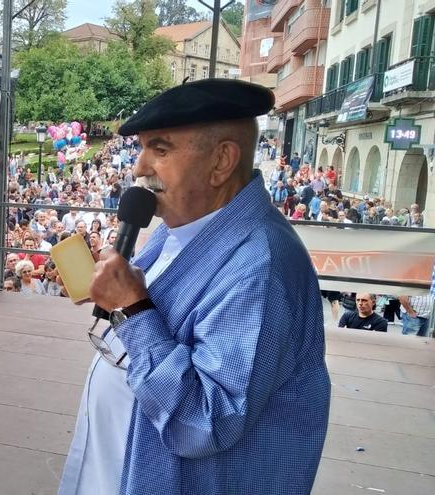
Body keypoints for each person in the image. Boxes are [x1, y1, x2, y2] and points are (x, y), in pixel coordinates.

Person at [61, 80, 330, 494]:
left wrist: (131, 308)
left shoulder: (260, 269)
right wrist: (117, 295)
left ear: (221, 161)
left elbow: (205, 422)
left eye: (160, 149)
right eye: (142, 148)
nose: (139, 167)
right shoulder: (182, 227)